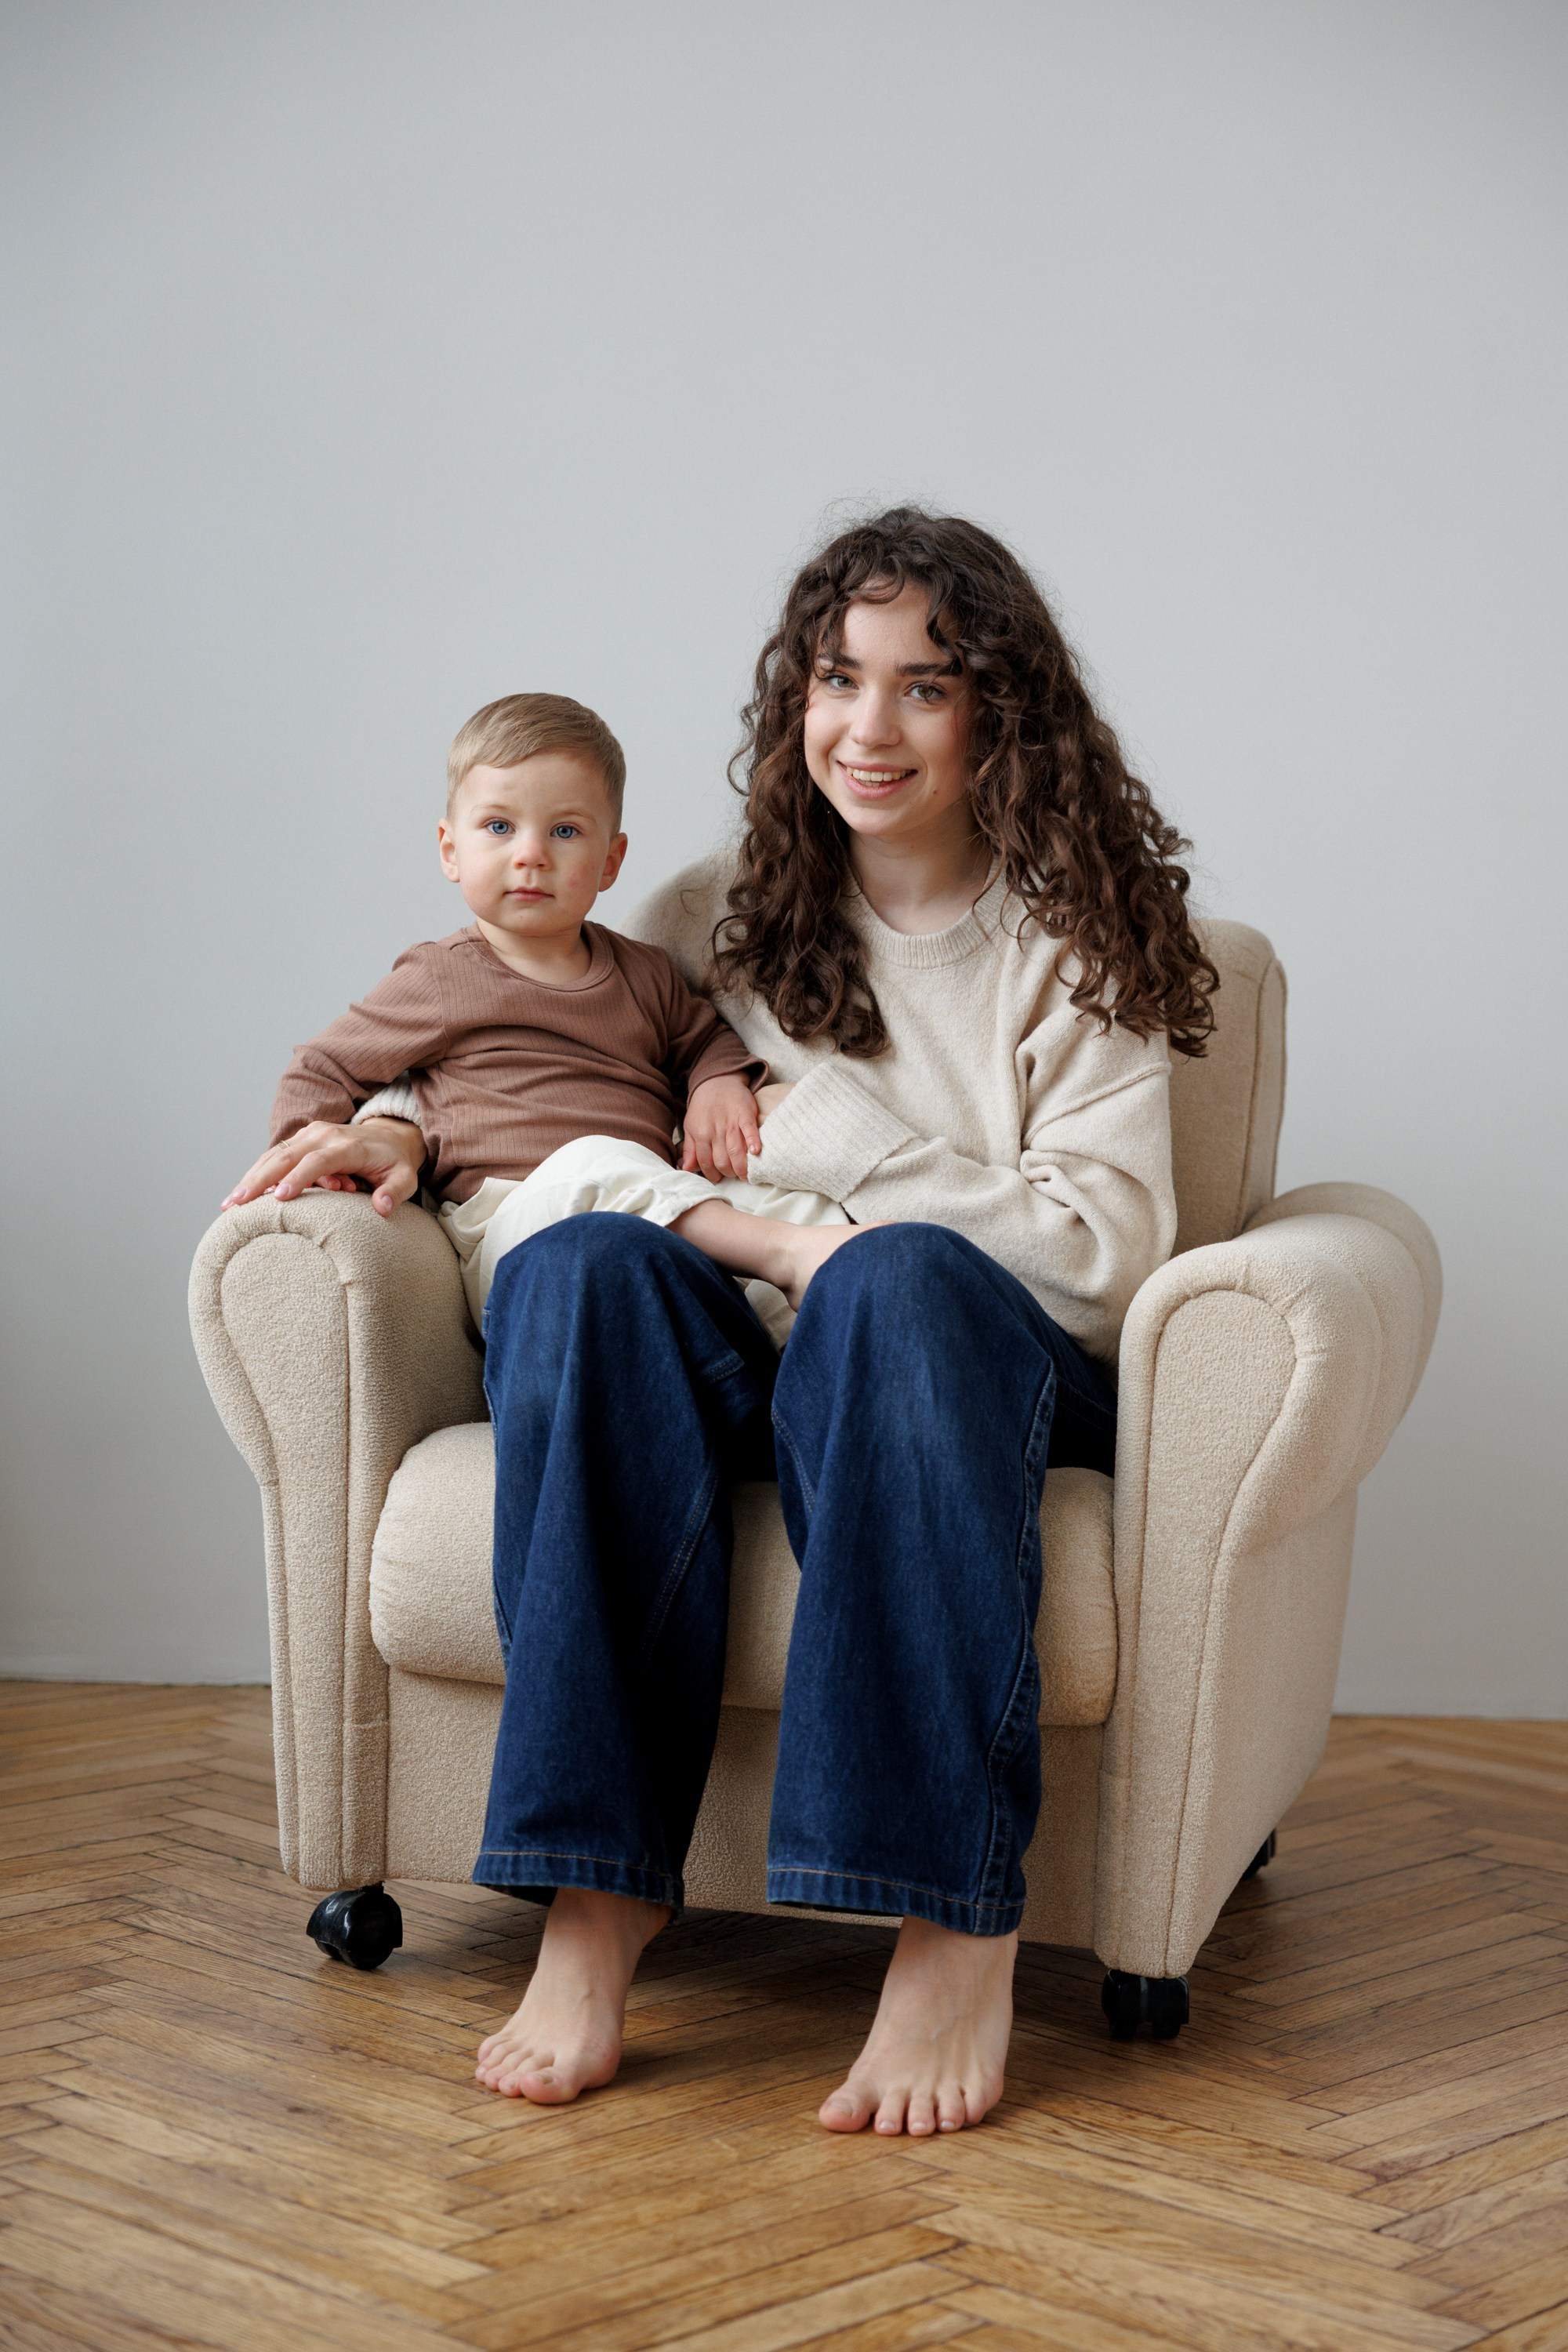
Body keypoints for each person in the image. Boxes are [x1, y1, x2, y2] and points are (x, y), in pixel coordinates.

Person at [249, 509, 1218, 2139]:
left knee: (891, 1280)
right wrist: (398, 1132)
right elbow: (543, 1065)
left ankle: (948, 1919)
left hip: (979, 1374)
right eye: (838, 679)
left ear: (999, 713)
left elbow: (1103, 1263)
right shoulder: (717, 914)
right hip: (743, 1357)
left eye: (924, 686)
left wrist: (834, 1154)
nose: (868, 727)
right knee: (579, 1269)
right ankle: (594, 1895)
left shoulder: (1077, 937)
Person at [224, 691, 862, 1336]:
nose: (531, 854)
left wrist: (716, 1083)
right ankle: (780, 1254)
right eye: (499, 827)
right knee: (592, 1164)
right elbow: (323, 1067)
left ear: (610, 861)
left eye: (564, 831)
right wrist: (313, 1162)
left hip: (659, 1207)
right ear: (450, 849)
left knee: (798, 1204)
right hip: (516, 1223)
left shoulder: (645, 972)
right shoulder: (440, 977)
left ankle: (825, 1321)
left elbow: (703, 1043)